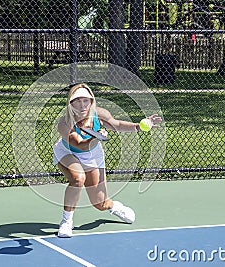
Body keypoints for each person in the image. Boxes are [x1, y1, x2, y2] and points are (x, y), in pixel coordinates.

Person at [53, 83, 162, 238]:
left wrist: (139, 126)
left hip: (93, 156)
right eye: (77, 101)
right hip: (68, 152)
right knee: (78, 178)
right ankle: (66, 221)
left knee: (100, 203)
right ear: (71, 103)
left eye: (86, 100)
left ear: (91, 101)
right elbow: (79, 144)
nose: (82, 105)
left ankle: (114, 206)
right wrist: (97, 137)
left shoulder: (100, 114)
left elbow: (117, 124)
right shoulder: (64, 123)